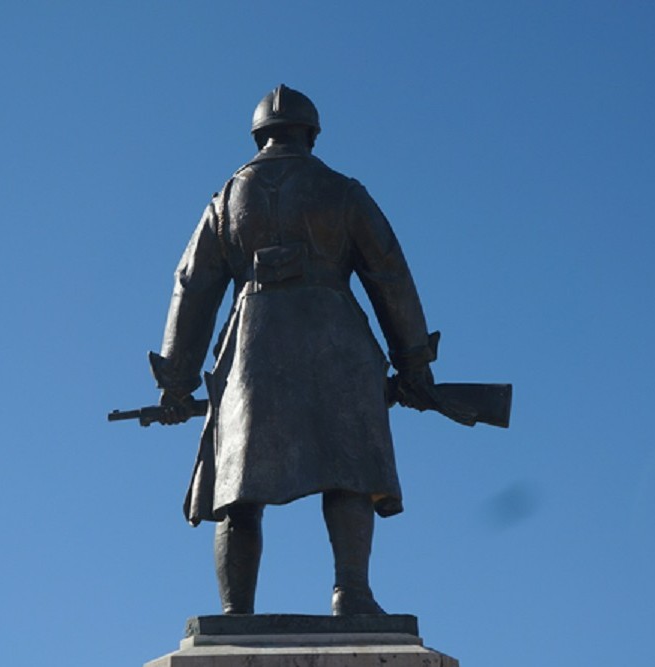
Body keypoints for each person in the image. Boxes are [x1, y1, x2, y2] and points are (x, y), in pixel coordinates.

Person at [154, 84, 445, 615]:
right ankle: (352, 594)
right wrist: (413, 362)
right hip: (336, 336)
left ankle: (235, 611)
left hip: (254, 344)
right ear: (311, 134)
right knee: (350, 469)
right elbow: (389, 272)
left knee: (239, 487)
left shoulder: (227, 198)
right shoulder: (343, 190)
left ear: (259, 136)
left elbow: (193, 284)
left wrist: (176, 379)